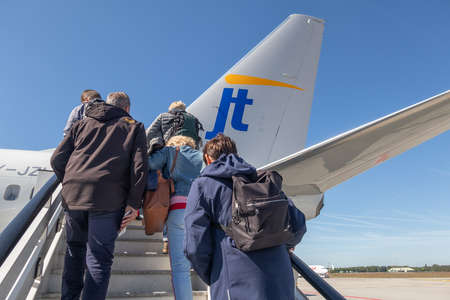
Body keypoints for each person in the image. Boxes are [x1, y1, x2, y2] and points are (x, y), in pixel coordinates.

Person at [184, 134, 306, 300]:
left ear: (207, 158)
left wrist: (214, 274)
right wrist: (280, 244)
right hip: (280, 276)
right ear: (236, 154)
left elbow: (194, 245)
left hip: (234, 279)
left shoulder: (203, 185)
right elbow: (298, 224)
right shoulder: (264, 181)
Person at [51, 92, 148, 300]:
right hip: (108, 199)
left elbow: (57, 159)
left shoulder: (82, 124)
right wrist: (133, 203)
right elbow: (139, 168)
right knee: (98, 259)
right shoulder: (134, 126)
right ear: (127, 109)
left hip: (74, 196)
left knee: (74, 252)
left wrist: (68, 182)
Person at [148, 135, 203, 300]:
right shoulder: (201, 156)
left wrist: (154, 148)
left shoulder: (170, 151)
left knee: (180, 269)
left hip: (178, 210)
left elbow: (149, 163)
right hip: (200, 212)